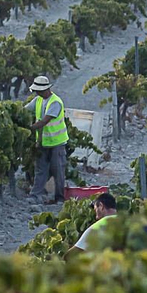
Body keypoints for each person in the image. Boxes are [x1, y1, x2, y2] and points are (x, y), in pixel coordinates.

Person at [28, 75, 68, 204]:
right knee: (40, 170)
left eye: (38, 91)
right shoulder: (38, 100)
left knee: (58, 171)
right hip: (43, 142)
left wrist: (27, 129)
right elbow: (24, 110)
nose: (37, 93)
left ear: (45, 89)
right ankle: (35, 195)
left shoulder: (55, 102)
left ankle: (60, 198)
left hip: (57, 143)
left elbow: (44, 121)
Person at [65, 191, 117, 260]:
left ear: (101, 206)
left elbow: (72, 254)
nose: (96, 217)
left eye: (95, 209)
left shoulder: (99, 226)